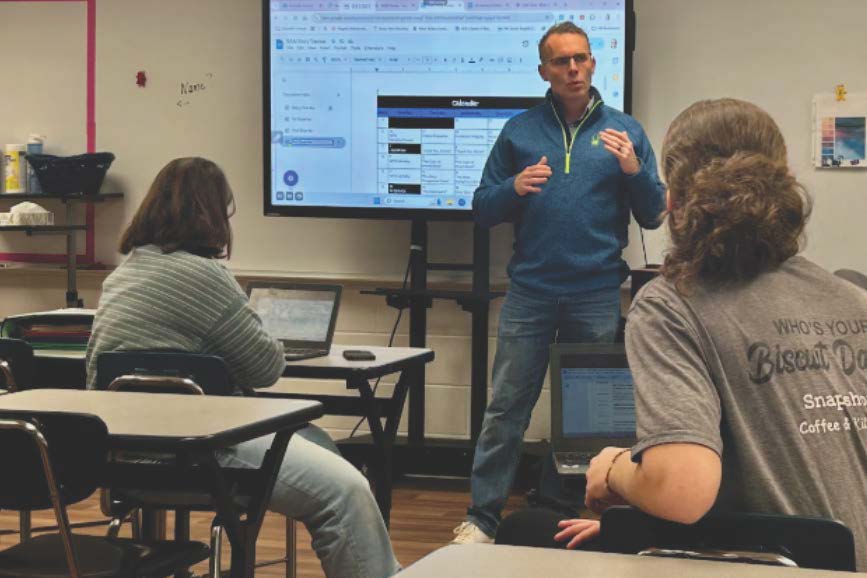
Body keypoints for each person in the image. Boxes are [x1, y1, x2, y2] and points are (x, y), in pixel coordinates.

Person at [499, 99, 867, 571]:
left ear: (672, 199)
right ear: (785, 178)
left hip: (762, 561)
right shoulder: (850, 298)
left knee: (523, 530)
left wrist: (612, 467)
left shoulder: (672, 306)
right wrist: (642, 519)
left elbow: (682, 489)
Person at [85, 157, 400, 578]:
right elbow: (266, 368)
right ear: (212, 214)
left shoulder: (123, 275)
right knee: (347, 492)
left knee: (316, 440)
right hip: (200, 454)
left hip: (125, 458)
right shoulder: (205, 276)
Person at [453, 22, 666, 544]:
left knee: (582, 417)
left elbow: (655, 213)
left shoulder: (625, 131)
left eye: (581, 59)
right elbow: (482, 209)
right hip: (530, 292)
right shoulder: (519, 131)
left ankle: (563, 507)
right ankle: (482, 518)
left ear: (594, 63)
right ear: (544, 71)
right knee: (507, 407)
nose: (573, 69)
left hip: (595, 292)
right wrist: (513, 188)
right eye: (561, 62)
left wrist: (634, 170)